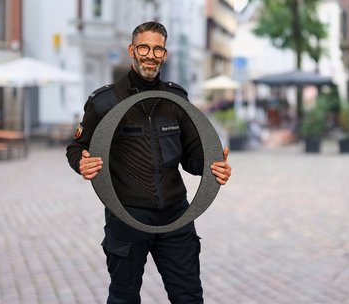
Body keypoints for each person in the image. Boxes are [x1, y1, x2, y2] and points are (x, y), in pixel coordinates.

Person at [66, 21, 231, 304]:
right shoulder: (104, 102)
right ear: (132, 50)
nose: (150, 55)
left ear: (164, 54)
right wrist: (81, 163)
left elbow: (192, 155)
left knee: (189, 297)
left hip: (176, 216)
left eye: (158, 49)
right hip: (127, 216)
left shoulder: (176, 98)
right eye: (144, 47)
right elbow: (77, 147)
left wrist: (211, 164)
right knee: (124, 297)